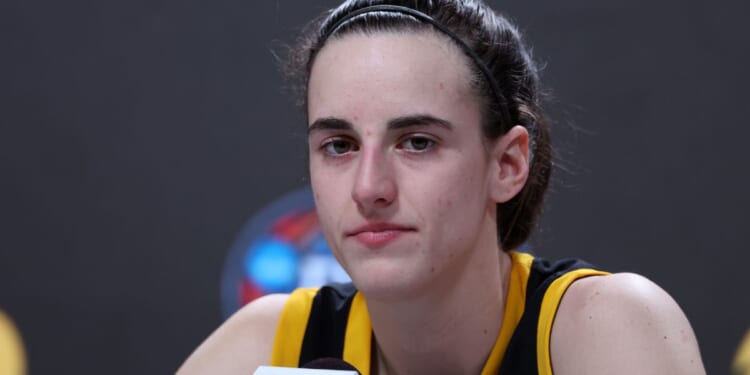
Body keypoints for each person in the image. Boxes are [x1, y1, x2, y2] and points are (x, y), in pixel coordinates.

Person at [178, 1, 706, 374]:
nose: (369, 188)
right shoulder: (272, 344)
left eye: (417, 142)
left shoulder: (604, 327)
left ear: (507, 165)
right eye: (339, 145)